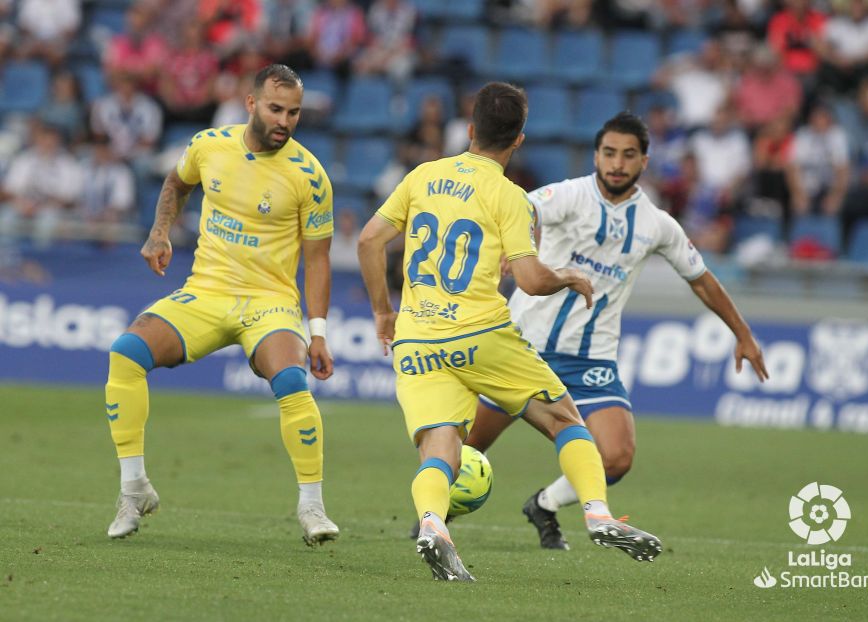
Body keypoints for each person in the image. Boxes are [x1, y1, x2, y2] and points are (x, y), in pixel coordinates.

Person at [357, 82, 663, 582]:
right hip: (481, 334)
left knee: (439, 445)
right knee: (565, 421)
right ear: (519, 139)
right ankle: (597, 514)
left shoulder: (423, 175)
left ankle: (434, 524)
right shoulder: (507, 195)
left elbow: (369, 240)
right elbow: (530, 280)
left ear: (471, 129)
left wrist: (382, 314)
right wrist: (566, 275)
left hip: (416, 336)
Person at [460, 111, 769, 550]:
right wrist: (518, 244)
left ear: (644, 161)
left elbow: (700, 277)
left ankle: (544, 504)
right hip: (524, 348)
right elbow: (524, 205)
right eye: (609, 153)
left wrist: (742, 333)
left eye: (628, 155)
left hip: (591, 359)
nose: (617, 163)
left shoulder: (657, 224)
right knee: (469, 446)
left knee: (617, 457)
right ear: (596, 156)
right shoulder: (570, 195)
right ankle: (436, 516)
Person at [103, 64, 340, 547]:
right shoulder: (209, 144)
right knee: (126, 353)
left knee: (292, 381)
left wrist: (317, 332)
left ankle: (312, 506)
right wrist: (159, 231)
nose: (285, 121)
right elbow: (176, 183)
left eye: (294, 112)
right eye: (276, 109)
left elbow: (317, 261)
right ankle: (134, 488)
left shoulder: (310, 176)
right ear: (250, 104)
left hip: (270, 303)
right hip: (207, 292)